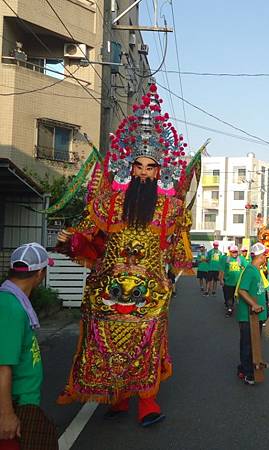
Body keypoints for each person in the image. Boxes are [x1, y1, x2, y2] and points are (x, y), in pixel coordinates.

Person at [55, 85, 193, 427]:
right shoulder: (109, 202)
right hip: (107, 289)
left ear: (160, 172)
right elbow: (87, 235)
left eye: (151, 167)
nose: (144, 172)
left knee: (145, 343)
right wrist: (70, 239)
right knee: (104, 343)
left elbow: (177, 248)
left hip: (148, 292)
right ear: (129, 169)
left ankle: (147, 402)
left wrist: (169, 275)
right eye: (139, 166)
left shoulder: (170, 208)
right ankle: (115, 398)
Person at [0, 243, 58, 450]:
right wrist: (6, 414)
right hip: (15, 405)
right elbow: (3, 366)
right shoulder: (10, 307)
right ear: (40, 274)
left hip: (24, 403)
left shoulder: (13, 301)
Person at [236, 243, 268, 385]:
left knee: (253, 345)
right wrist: (254, 304)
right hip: (248, 316)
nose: (266, 258)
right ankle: (248, 373)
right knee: (248, 345)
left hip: (256, 316)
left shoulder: (256, 270)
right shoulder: (250, 270)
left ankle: (243, 369)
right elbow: (242, 290)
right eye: (265, 255)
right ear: (260, 256)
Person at [220, 245, 246, 317]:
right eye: (233, 252)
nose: (235, 253)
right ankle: (229, 309)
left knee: (240, 298)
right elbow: (222, 270)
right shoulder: (226, 259)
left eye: (236, 252)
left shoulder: (241, 259)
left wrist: (243, 268)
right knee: (229, 297)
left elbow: (247, 268)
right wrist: (221, 279)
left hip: (239, 283)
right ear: (230, 252)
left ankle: (241, 311)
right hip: (228, 282)